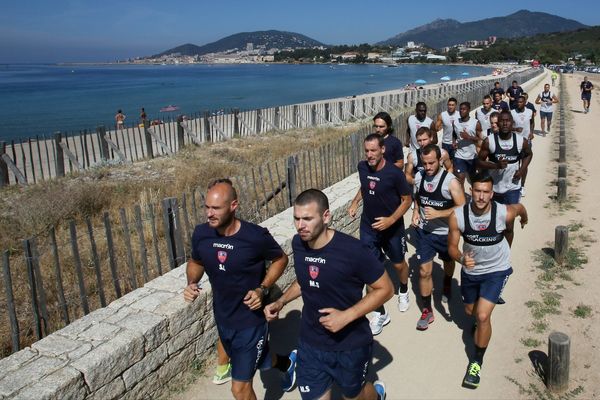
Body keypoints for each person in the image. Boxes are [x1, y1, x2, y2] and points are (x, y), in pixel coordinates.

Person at [265, 189, 392, 400]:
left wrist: (346, 316)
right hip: (310, 342)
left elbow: (386, 288)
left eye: (307, 218)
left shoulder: (353, 251)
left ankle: (375, 395)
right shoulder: (299, 244)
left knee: (354, 396)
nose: (300, 225)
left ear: (326, 217)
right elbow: (305, 280)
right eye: (296, 218)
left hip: (350, 345)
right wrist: (281, 300)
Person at [183, 179, 295, 399]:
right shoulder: (201, 234)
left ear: (233, 206)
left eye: (216, 208)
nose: (209, 213)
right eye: (207, 207)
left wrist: (262, 289)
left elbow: (280, 259)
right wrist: (191, 282)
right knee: (260, 357)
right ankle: (287, 362)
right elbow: (196, 262)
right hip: (223, 318)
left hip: (250, 322)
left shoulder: (255, 236)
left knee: (240, 389)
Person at [448, 172, 528, 389]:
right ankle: (478, 323)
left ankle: (476, 361)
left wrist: (525, 218)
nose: (481, 197)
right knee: (470, 312)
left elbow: (519, 208)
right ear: (471, 191)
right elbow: (452, 248)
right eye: (477, 191)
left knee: (483, 316)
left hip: (497, 270)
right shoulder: (458, 215)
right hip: (471, 272)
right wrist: (461, 258)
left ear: (492, 194)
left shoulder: (504, 212)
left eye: (485, 192)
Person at [348, 134, 412, 335]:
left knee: (399, 264)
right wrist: (355, 201)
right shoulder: (362, 167)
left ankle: (403, 290)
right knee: (369, 269)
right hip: (368, 227)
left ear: (383, 149)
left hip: (393, 229)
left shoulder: (394, 173)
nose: (369, 155)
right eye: (367, 150)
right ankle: (380, 312)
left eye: (373, 150)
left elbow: (407, 200)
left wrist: (391, 220)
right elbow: (365, 186)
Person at [411, 144, 465, 331]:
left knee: (448, 262)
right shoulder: (419, 177)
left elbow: (463, 207)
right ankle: (427, 310)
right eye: (424, 163)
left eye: (432, 163)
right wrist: (416, 212)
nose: (428, 167)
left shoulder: (451, 182)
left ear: (440, 161)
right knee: (424, 271)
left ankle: (447, 283)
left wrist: (440, 213)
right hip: (425, 232)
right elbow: (418, 197)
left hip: (447, 233)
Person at [477, 110, 532, 244]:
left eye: (508, 120)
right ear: (498, 124)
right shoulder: (489, 141)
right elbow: (479, 162)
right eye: (502, 120)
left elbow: (528, 154)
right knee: (492, 222)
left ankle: (506, 254)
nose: (505, 123)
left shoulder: (520, 141)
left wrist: (522, 169)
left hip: (512, 187)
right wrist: (495, 166)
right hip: (494, 188)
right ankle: (493, 246)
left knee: (508, 224)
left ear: (512, 123)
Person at [453, 102, 483, 187]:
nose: (462, 111)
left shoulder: (476, 123)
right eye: (460, 109)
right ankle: (462, 199)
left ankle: (474, 197)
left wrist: (469, 137)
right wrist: (454, 141)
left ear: (469, 110)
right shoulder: (455, 122)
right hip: (459, 155)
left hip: (472, 156)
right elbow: (454, 134)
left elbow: (480, 140)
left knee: (473, 179)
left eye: (464, 109)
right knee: (460, 178)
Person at [510, 96, 534, 196]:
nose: (518, 104)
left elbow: (532, 122)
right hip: (515, 142)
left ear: (525, 103)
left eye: (520, 102)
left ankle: (522, 186)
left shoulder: (529, 111)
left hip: (526, 142)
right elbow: (508, 126)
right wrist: (515, 130)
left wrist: (532, 132)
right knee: (515, 165)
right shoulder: (512, 112)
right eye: (517, 102)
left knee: (524, 166)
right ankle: (514, 183)